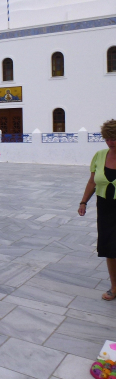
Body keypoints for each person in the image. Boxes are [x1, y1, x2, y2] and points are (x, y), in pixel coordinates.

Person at [78, 119, 116, 301]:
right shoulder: (100, 156)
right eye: (107, 139)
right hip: (105, 207)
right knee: (110, 248)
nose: (110, 142)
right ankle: (114, 286)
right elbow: (92, 181)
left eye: (114, 138)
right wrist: (83, 202)